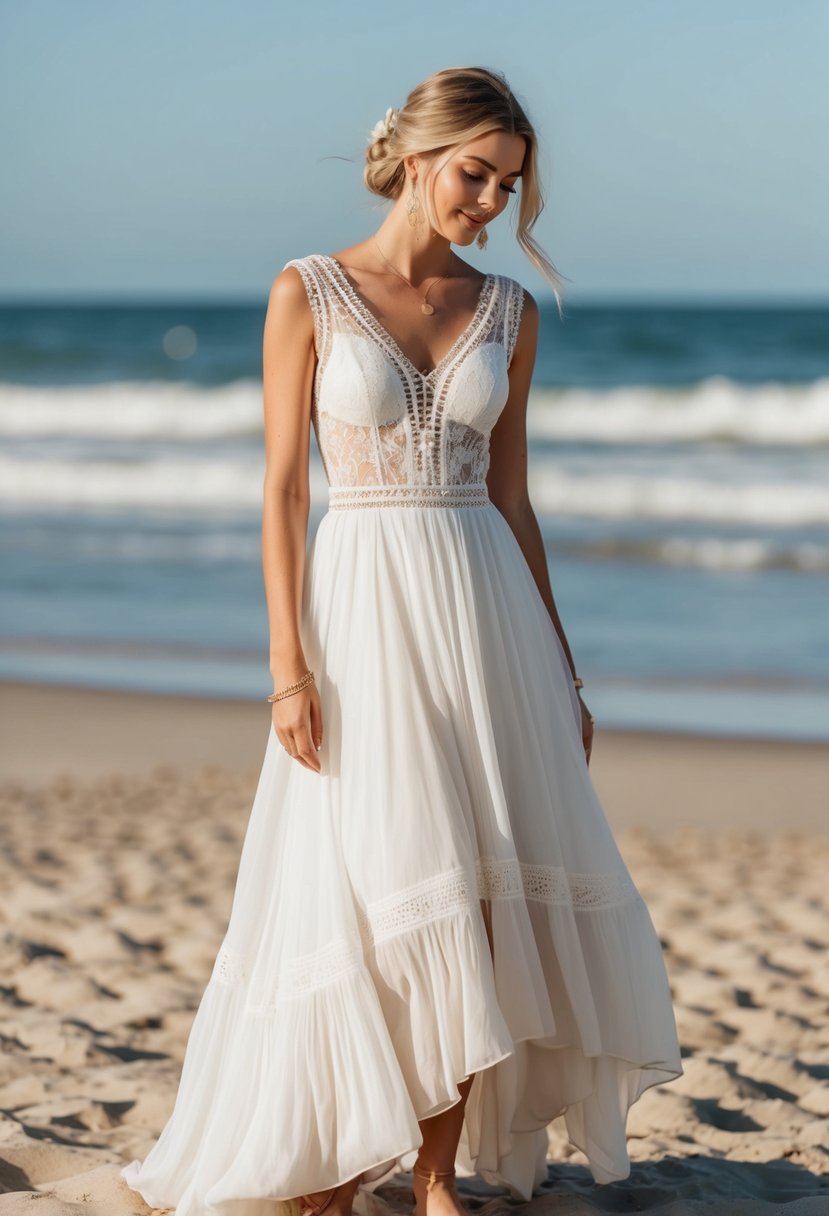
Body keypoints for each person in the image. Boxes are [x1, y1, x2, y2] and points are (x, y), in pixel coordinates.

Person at [121, 65, 683, 1216]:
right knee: (385, 876)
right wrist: (286, 667)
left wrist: (562, 669)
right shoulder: (309, 290)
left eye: (507, 186)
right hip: (362, 609)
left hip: (490, 619)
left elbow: (516, 503)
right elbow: (281, 493)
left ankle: (434, 1177)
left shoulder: (508, 313)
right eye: (474, 175)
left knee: (477, 891)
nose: (486, 203)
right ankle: (341, 1148)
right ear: (416, 157)